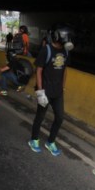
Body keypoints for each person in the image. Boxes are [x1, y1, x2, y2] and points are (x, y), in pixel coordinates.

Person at [28, 25, 74, 156]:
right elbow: (39, 70)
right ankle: (34, 139)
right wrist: (40, 91)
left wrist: (63, 87)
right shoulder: (46, 50)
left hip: (58, 92)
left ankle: (50, 141)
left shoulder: (66, 51)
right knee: (40, 117)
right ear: (59, 37)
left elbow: (65, 69)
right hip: (45, 91)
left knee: (59, 117)